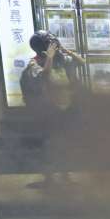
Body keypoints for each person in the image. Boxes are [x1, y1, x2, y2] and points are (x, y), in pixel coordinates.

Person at [19, 30, 82, 187]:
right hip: (47, 110)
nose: (54, 45)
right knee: (49, 144)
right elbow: (44, 76)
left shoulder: (60, 60)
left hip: (64, 107)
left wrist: (66, 51)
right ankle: (49, 177)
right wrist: (49, 57)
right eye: (50, 43)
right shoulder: (34, 64)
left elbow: (81, 62)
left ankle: (65, 174)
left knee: (65, 142)